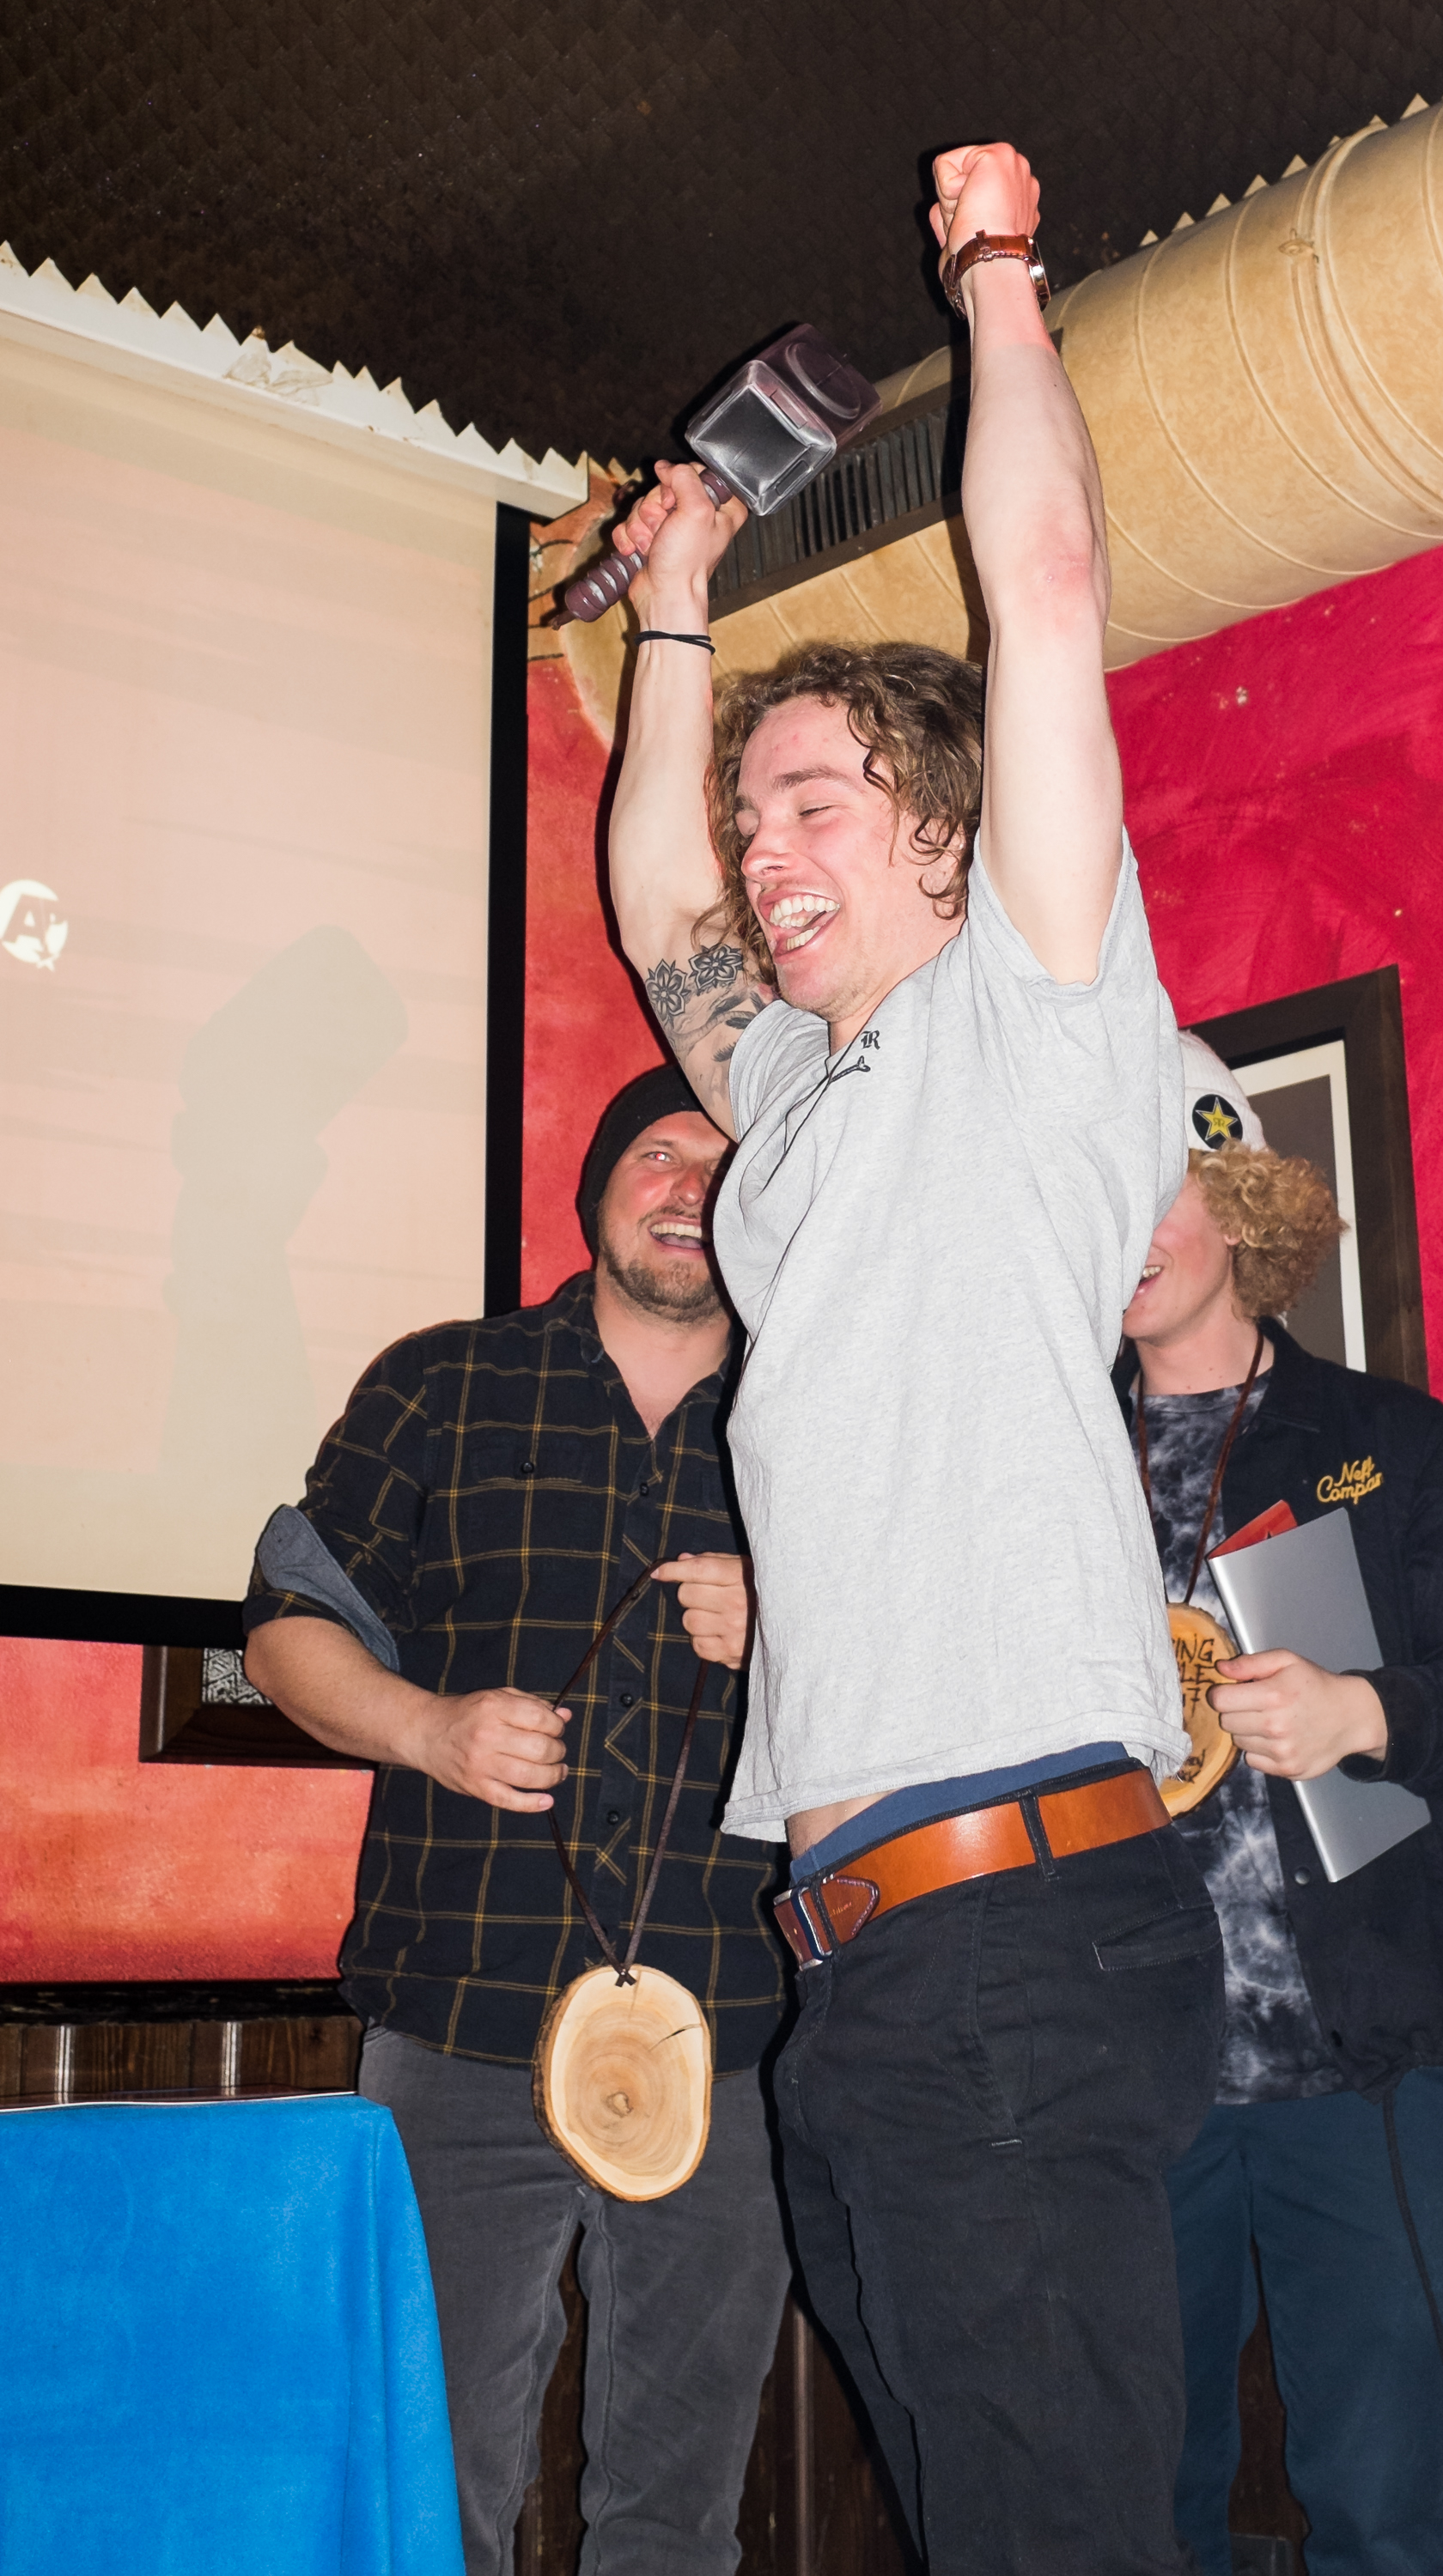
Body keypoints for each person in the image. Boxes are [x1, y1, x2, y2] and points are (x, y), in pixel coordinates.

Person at [606, 139, 1222, 2576]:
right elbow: (659, 913)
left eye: (817, 804)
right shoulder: (794, 1109)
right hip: (857, 1962)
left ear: (950, 838)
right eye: (759, 815)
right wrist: (676, 607)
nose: (764, 851)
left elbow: (1043, 591)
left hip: (1017, 1941)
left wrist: (999, 281)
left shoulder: (1034, 1013)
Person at [242, 1065, 791, 2576]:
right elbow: (282, 1630)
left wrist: (799, 1634)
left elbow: (937, 1683)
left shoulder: (820, 1411)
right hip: (459, 2021)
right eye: (658, 1153)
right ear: (597, 1187)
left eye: (725, 1161)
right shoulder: (443, 1383)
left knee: (680, 2514)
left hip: (736, 2036)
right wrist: (426, 1726)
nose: (690, 1185)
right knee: (430, 2493)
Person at [1129, 1033, 1443, 2576]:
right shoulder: (1038, 1463)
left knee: (1382, 2516)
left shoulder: (1390, 1438)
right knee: (1133, 2517)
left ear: (1240, 1208)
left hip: (1367, 2055)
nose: (1124, 1231)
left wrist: (1361, 1712)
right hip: (1122, 2074)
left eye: (1155, 1188)